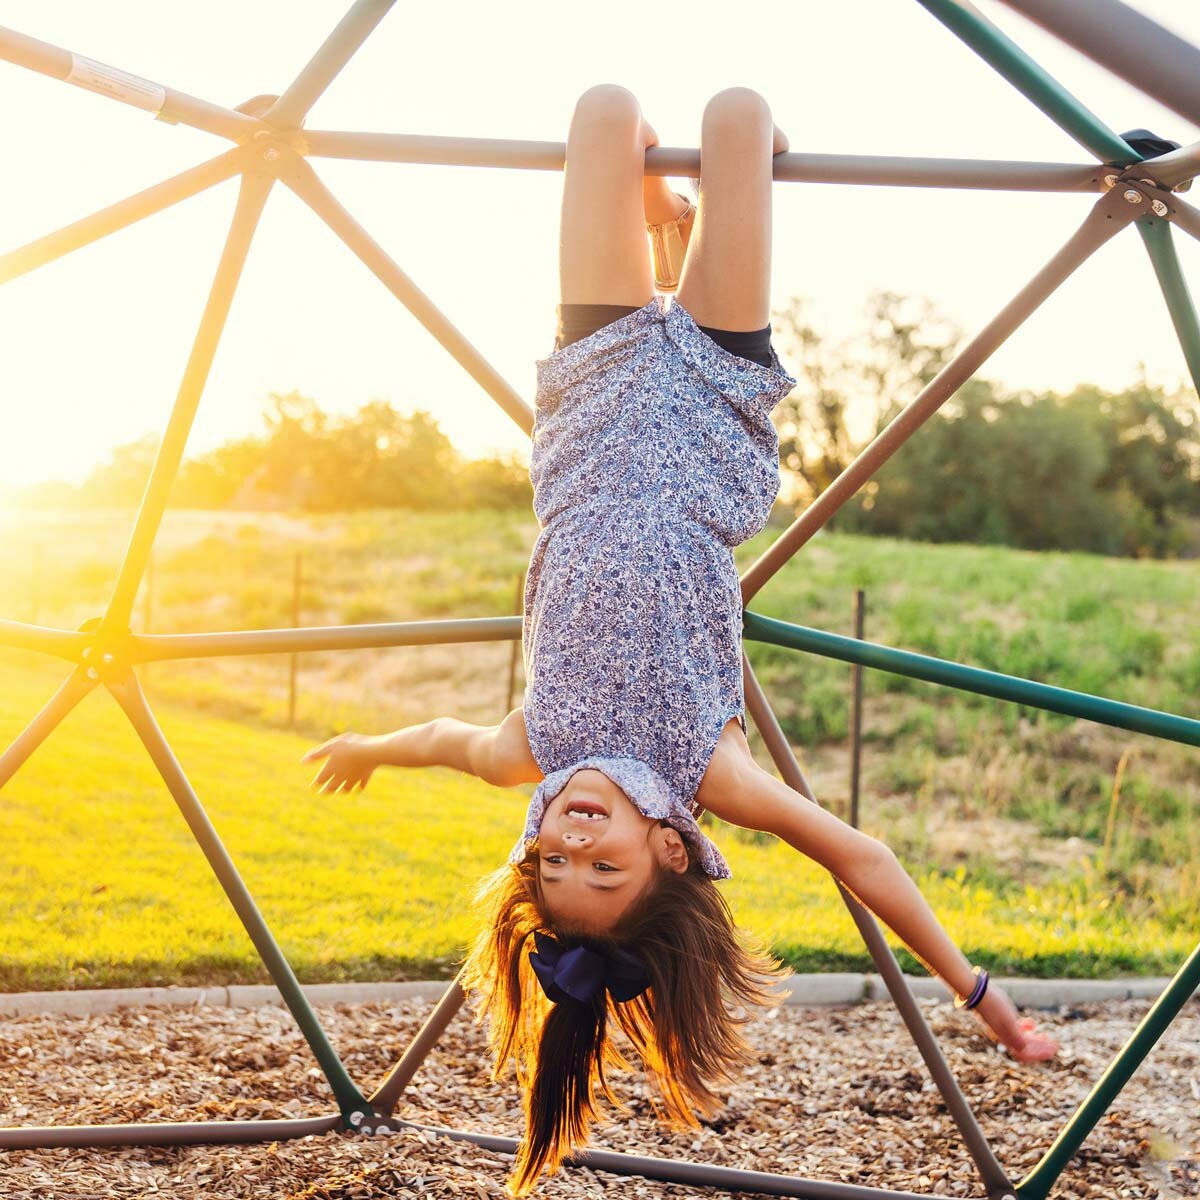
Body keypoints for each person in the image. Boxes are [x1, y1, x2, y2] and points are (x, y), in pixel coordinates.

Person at [301, 83, 1060, 1196]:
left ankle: (666, 220)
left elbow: (438, 737)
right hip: (712, 399)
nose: (572, 834)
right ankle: (690, 220)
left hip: (596, 382)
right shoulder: (711, 769)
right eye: (599, 865)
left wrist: (368, 746)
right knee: (742, 117)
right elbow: (862, 859)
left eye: (552, 859)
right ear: (668, 853)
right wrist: (979, 996)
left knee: (603, 113)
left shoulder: (533, 746)